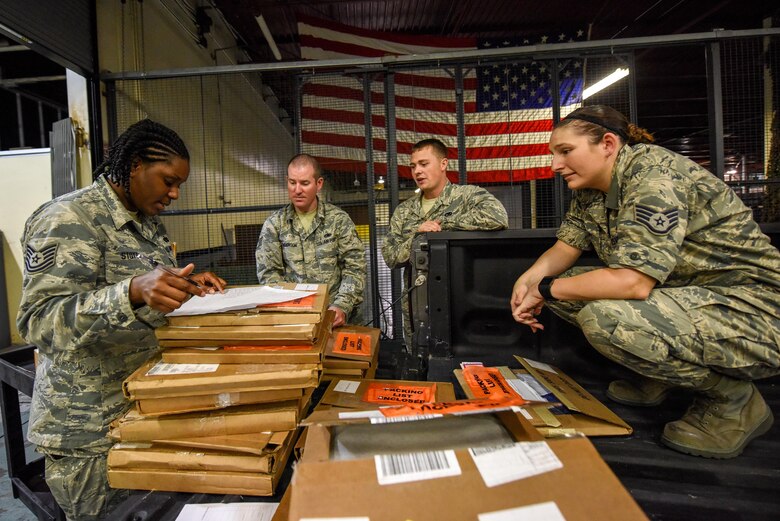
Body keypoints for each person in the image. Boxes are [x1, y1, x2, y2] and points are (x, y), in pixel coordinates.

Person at [511, 105, 780, 459]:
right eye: (553, 154)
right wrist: (528, 282)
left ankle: (734, 399)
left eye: (565, 152)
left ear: (607, 144)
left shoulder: (655, 178)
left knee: (602, 317)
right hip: (692, 298)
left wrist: (544, 291)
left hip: (754, 312)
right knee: (571, 287)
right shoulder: (591, 186)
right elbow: (568, 245)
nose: (554, 165)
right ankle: (663, 374)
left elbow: (633, 284)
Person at [16, 119, 226, 520]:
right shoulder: (68, 218)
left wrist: (184, 284)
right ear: (134, 166)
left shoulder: (147, 223)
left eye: (178, 184)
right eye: (168, 180)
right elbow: (39, 321)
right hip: (90, 432)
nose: (174, 194)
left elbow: (148, 289)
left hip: (141, 411)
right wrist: (129, 291)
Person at [383, 138, 508, 345]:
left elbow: (498, 218)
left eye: (424, 164)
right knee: (419, 361)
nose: (417, 172)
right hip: (417, 308)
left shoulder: (467, 196)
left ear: (443, 164)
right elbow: (390, 257)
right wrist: (417, 235)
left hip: (460, 303)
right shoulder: (404, 212)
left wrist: (443, 226)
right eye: (413, 166)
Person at [256, 153, 366, 327]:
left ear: (319, 184)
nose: (297, 189)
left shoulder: (338, 220)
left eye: (305, 183)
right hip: (295, 319)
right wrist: (287, 308)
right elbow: (269, 274)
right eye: (292, 182)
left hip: (336, 318)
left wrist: (342, 305)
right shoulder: (275, 225)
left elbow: (355, 268)